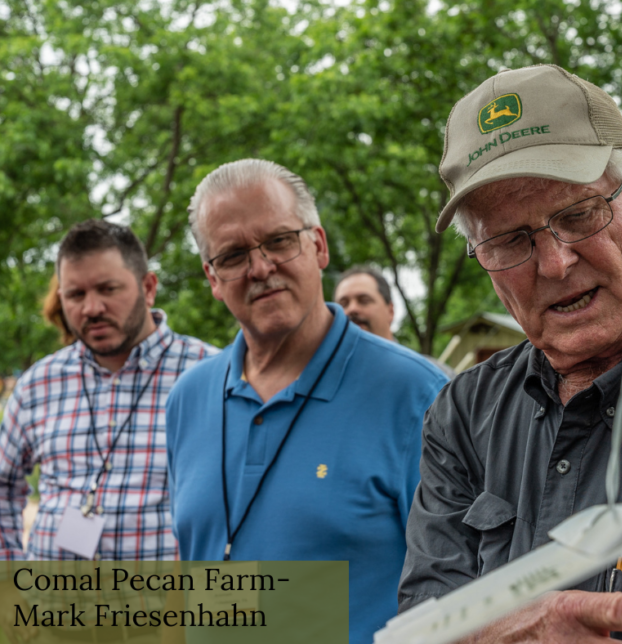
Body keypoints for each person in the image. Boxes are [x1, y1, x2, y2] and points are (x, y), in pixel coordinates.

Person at [398, 64, 622, 643]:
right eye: (508, 242)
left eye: (578, 215)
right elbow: (421, 627)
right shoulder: (464, 412)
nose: (554, 263)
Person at [165, 159, 449, 644]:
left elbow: (458, 596)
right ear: (212, 278)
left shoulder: (419, 395)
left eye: (278, 241)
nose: (260, 268)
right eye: (233, 255)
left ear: (318, 246)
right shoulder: (188, 399)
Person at [0, 219, 218, 562]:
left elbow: (245, 503)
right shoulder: (37, 384)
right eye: (75, 295)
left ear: (148, 287)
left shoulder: (213, 376)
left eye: (108, 289)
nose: (92, 308)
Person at [334, 265, 456, 377]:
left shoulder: (437, 377)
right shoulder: (324, 379)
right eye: (343, 304)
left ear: (390, 311)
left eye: (364, 300)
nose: (352, 309)